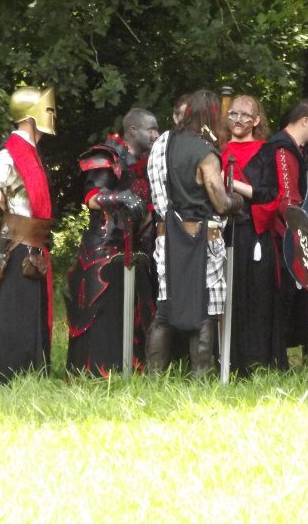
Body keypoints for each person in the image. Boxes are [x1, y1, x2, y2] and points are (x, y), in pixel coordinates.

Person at [146, 90, 242, 375]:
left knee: (165, 308)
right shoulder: (206, 153)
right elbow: (221, 203)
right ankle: (200, 377)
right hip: (203, 240)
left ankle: (153, 376)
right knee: (205, 309)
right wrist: (236, 201)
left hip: (166, 237)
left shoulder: (163, 143)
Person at [0, 86, 57, 384]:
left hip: (33, 243)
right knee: (15, 310)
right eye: (48, 110)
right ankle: (2, 375)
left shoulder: (29, 152)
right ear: (32, 116)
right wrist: (1, 195)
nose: (53, 115)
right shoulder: (14, 152)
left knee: (30, 309)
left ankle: (29, 372)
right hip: (19, 243)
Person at [65, 108, 159, 376]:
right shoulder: (108, 155)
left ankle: (131, 368)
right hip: (103, 248)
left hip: (135, 249)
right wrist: (120, 198)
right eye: (150, 129)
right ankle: (97, 372)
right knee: (102, 313)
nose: (156, 135)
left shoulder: (148, 163)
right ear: (132, 130)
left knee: (135, 310)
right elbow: (92, 197)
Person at [220, 94, 287, 374]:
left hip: (255, 234)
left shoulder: (267, 151)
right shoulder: (219, 151)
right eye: (234, 114)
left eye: (245, 115)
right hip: (225, 234)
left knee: (258, 297)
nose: (238, 120)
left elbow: (272, 195)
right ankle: (231, 362)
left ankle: (259, 362)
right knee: (229, 298)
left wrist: (233, 184)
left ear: (256, 120)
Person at [247, 100, 308, 360]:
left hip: (285, 231)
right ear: (306, 121)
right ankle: (279, 355)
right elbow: (287, 198)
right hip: (281, 235)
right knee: (285, 296)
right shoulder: (283, 149)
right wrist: (299, 231)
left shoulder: (293, 148)